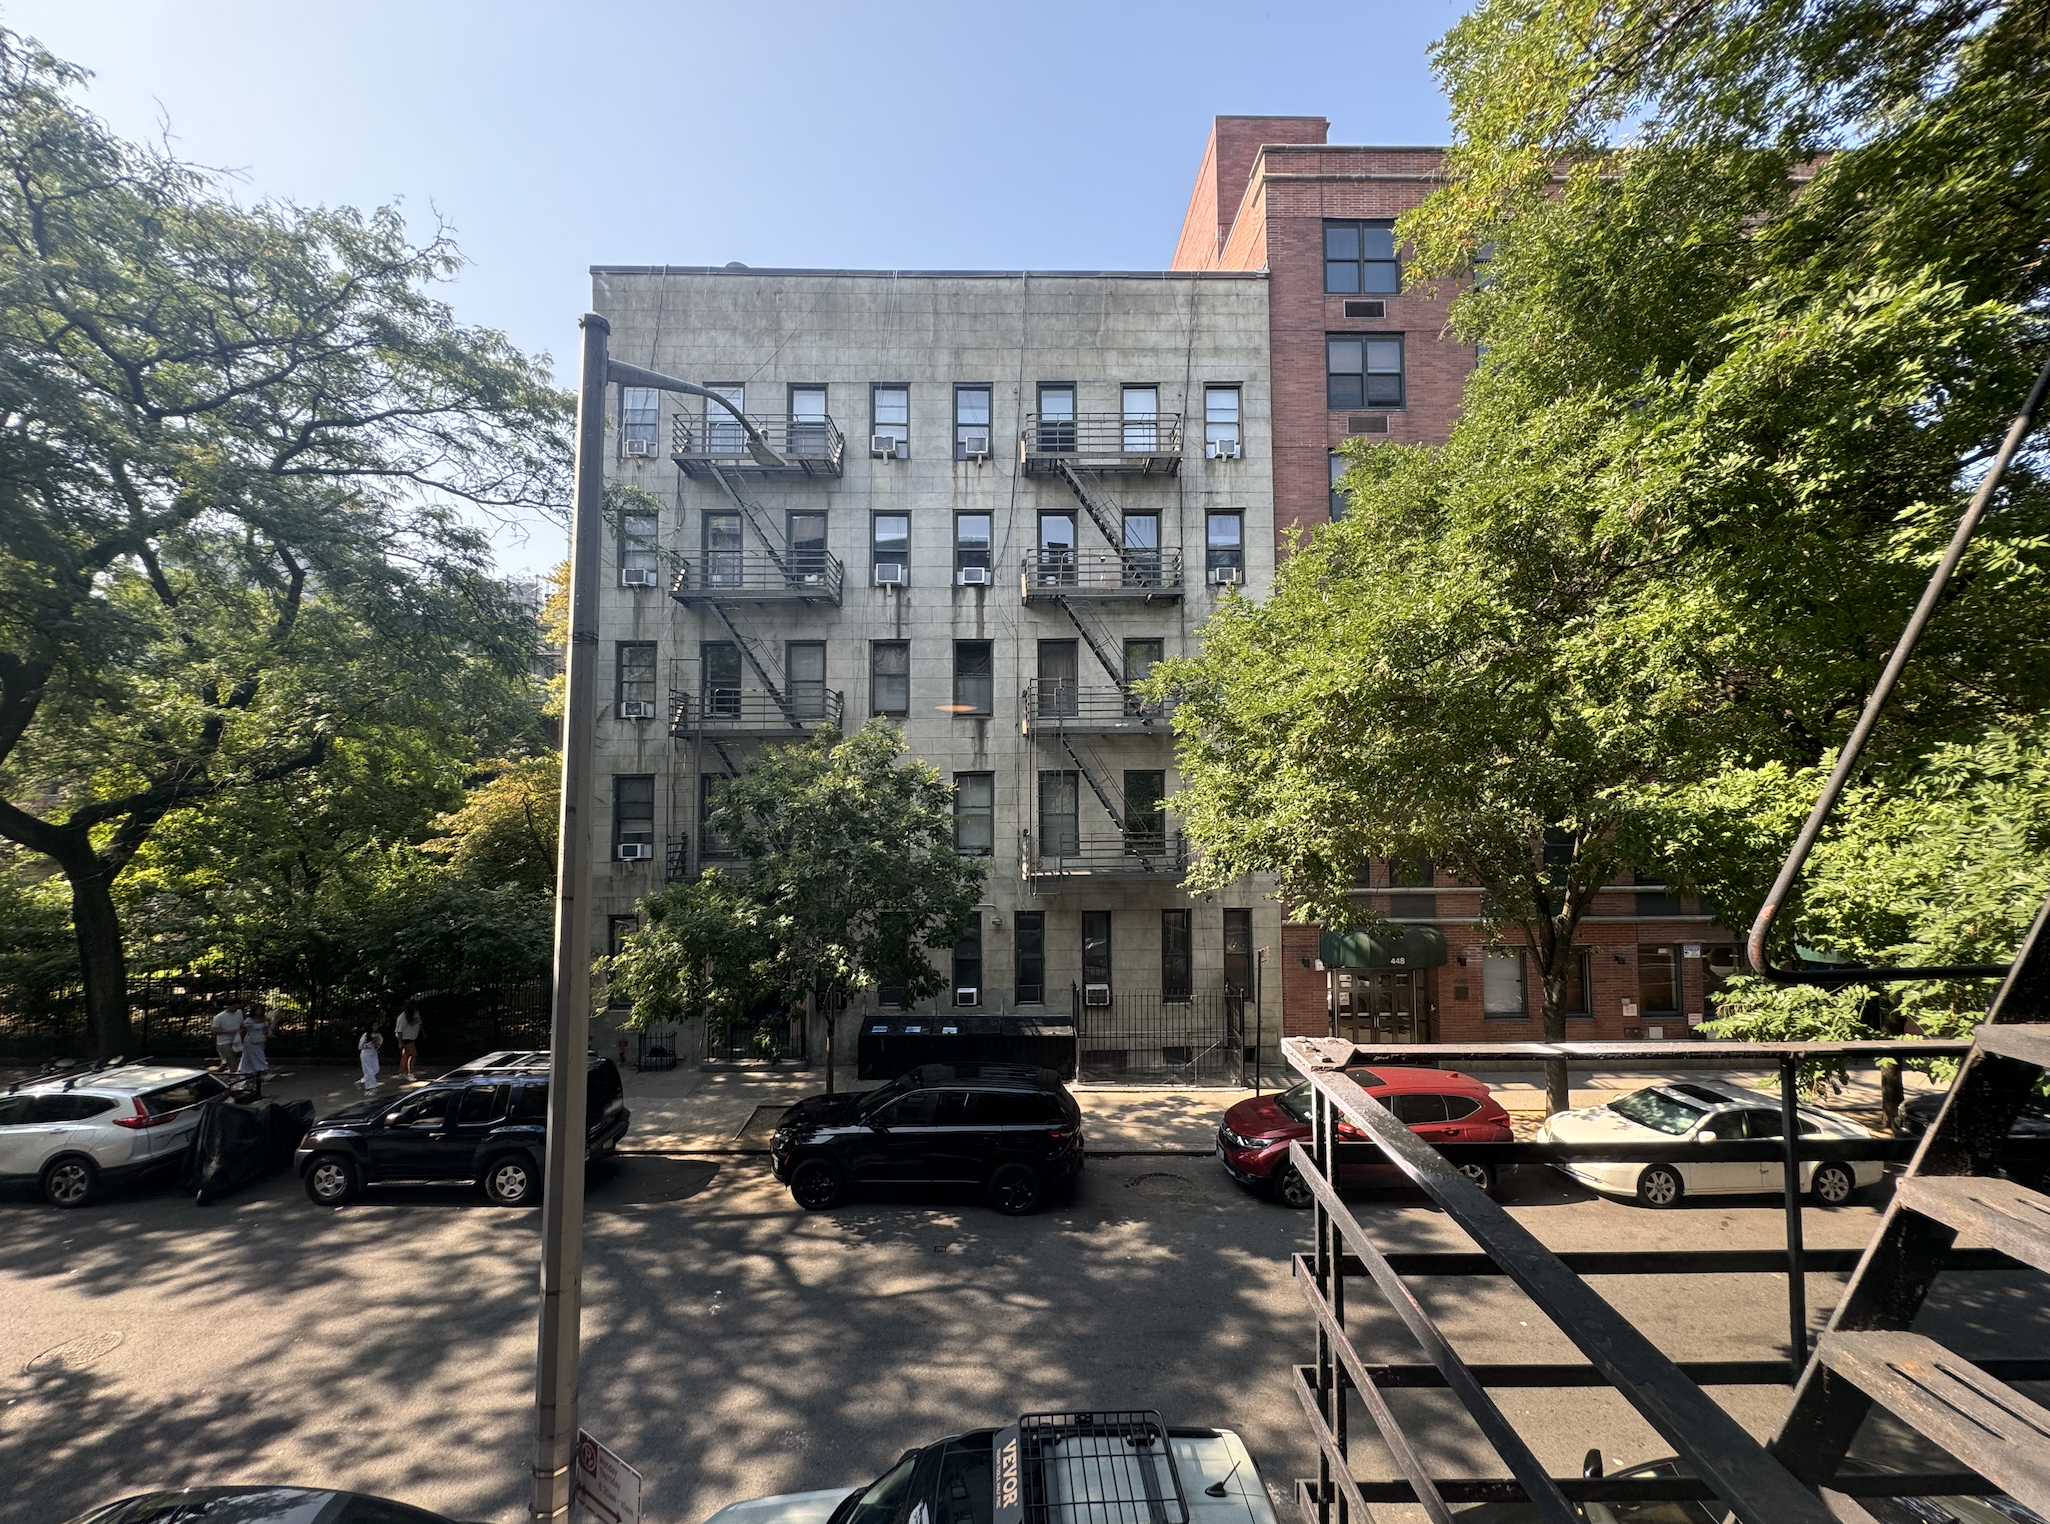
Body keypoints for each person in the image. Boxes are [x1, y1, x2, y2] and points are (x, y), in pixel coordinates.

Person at [238, 1003, 271, 1083]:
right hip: (251, 1040)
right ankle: (263, 1071)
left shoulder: (264, 1019)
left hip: (260, 1039)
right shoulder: (249, 1020)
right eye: (257, 1010)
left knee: (258, 1054)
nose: (259, 1011)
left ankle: (252, 1072)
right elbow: (245, 1030)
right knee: (257, 1056)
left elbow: (267, 1027)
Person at [211, 1001, 244, 1072]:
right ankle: (232, 1075)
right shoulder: (220, 1017)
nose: (236, 1009)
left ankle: (218, 1073)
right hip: (224, 1041)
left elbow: (241, 1024)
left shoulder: (239, 1013)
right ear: (228, 1006)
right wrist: (229, 1031)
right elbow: (214, 1029)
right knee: (231, 1058)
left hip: (236, 1040)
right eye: (234, 1006)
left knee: (228, 1060)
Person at [395, 1005, 422, 1079]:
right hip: (405, 1038)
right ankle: (410, 1072)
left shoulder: (416, 1013)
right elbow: (399, 1031)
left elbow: (419, 1024)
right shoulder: (402, 1018)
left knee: (406, 1055)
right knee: (413, 1054)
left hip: (412, 1036)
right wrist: (400, 1043)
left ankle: (402, 1072)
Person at [358, 1024, 384, 1094]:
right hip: (366, 1053)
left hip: (373, 1053)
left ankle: (362, 1081)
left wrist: (377, 1044)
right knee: (369, 1070)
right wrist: (370, 1043)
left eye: (376, 1025)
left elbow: (379, 1046)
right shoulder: (366, 1035)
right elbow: (360, 1046)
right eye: (374, 1025)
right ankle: (372, 1087)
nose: (375, 1027)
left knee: (376, 1069)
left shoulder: (379, 1035)